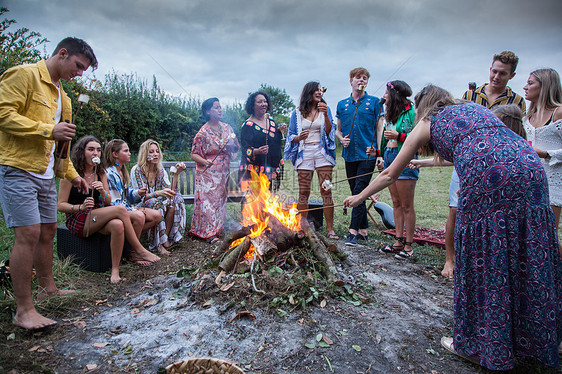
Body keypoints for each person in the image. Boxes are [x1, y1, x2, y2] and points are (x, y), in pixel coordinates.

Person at [345, 85, 562, 371]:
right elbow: (467, 149)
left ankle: (477, 344)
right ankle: (539, 339)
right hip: (530, 169)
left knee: (483, 255)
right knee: (527, 250)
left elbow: (388, 173)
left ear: (424, 105)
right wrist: (421, 160)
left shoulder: (427, 121)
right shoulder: (474, 110)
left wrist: (359, 197)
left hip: (490, 175)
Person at [0, 37, 96, 330]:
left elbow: (61, 149)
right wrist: (47, 129)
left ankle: (47, 288)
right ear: (62, 53)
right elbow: (4, 114)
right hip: (18, 167)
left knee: (48, 231)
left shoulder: (64, 98)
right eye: (78, 66)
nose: (79, 73)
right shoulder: (24, 75)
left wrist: (72, 175)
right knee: (27, 234)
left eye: (84, 70)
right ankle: (24, 310)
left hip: (46, 175)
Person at [409, 104, 526, 278]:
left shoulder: (506, 144)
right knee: (455, 211)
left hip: (484, 183)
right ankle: (452, 259)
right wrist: (422, 163)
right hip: (466, 175)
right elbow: (454, 157)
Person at [58, 136, 160, 283]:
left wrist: (102, 191)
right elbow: (60, 206)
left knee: (117, 225)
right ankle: (138, 250)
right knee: (120, 210)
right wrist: (80, 207)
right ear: (82, 152)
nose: (95, 153)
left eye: (98, 150)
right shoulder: (71, 174)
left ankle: (115, 270)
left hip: (97, 214)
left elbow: (106, 200)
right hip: (79, 217)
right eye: (91, 149)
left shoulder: (100, 173)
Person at [369, 80, 417, 259]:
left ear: (395, 94)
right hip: (389, 154)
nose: (384, 96)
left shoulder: (411, 112)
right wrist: (379, 155)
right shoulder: (390, 114)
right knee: (396, 202)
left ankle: (409, 245)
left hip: (404, 155)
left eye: (387, 93)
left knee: (406, 204)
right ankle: (398, 241)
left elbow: (417, 137)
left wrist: (400, 136)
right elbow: (383, 136)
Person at [335, 67, 383, 246]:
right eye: (358, 78)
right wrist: (341, 140)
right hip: (349, 155)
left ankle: (352, 231)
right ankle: (364, 230)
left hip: (367, 155)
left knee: (359, 191)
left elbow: (379, 129)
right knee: (357, 191)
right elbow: (338, 130)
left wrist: (379, 153)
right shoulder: (342, 104)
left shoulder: (375, 102)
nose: (361, 81)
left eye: (364, 78)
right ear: (351, 81)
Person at [284, 82, 337, 239]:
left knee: (326, 190)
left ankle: (330, 230)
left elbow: (329, 132)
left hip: (322, 154)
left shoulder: (325, 110)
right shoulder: (297, 113)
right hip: (305, 153)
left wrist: (326, 115)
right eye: (317, 89)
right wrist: (299, 137)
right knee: (304, 192)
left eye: (321, 90)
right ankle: (303, 227)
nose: (319, 92)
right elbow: (290, 135)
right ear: (309, 92)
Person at [190, 98, 240, 243]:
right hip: (208, 173)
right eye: (216, 107)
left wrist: (231, 145)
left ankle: (217, 229)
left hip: (223, 172)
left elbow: (236, 147)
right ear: (208, 111)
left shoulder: (227, 128)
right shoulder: (202, 132)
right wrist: (205, 161)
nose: (220, 110)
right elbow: (194, 154)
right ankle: (208, 234)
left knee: (219, 201)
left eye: (220, 107)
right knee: (209, 202)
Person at [103, 139, 163, 253]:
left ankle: (127, 241)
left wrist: (137, 193)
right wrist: (134, 209)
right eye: (126, 151)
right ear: (115, 154)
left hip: (125, 207)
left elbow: (126, 195)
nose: (129, 153)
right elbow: (114, 202)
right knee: (139, 216)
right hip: (113, 210)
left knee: (157, 216)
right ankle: (133, 251)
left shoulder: (122, 170)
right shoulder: (110, 173)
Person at [523, 68, 562, 237]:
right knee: (531, 235)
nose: (525, 87)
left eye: (530, 83)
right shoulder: (527, 117)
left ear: (545, 86)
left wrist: (546, 153)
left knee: (547, 235)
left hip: (552, 182)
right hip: (529, 181)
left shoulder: (558, 112)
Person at [131, 139, 186, 254]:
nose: (155, 154)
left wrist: (176, 174)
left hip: (157, 201)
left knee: (174, 200)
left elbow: (170, 190)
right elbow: (140, 197)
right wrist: (157, 193)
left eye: (157, 151)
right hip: (139, 205)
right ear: (145, 154)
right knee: (155, 203)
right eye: (151, 152)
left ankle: (164, 238)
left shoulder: (160, 170)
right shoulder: (137, 170)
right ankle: (157, 244)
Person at [239, 91, 284, 192]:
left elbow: (276, 142)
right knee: (255, 202)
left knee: (270, 199)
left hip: (271, 168)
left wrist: (280, 131)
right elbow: (245, 149)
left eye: (265, 101)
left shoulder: (271, 121)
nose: (264, 104)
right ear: (252, 106)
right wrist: (257, 151)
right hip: (254, 171)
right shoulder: (248, 125)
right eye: (259, 102)